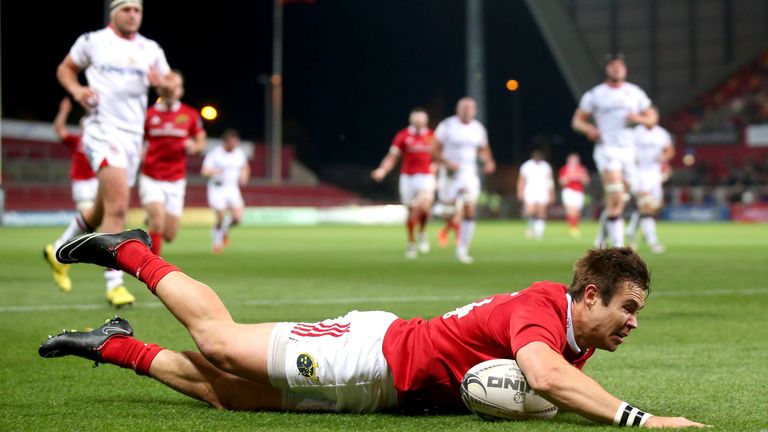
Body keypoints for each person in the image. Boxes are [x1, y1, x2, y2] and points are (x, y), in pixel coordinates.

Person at [40, 229, 708, 428]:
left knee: (229, 393)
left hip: (388, 391)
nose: (632, 323)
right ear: (590, 296)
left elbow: (552, 385)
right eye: (628, 308)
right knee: (219, 343)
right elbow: (541, 377)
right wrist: (642, 422)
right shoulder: (539, 311)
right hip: (370, 357)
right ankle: (130, 251)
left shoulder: (572, 338)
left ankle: (114, 344)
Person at [42, 0, 176, 307]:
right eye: (126, 9)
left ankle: (58, 250)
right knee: (118, 207)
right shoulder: (93, 41)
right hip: (102, 132)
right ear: (113, 12)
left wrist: (163, 87)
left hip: (131, 138)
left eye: (138, 10)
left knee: (101, 210)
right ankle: (114, 283)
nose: (133, 15)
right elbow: (65, 69)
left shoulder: (151, 49)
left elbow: (169, 89)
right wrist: (77, 91)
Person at [572, 53, 658, 248]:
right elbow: (577, 121)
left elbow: (652, 118)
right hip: (607, 150)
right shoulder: (595, 94)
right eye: (613, 65)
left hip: (630, 152)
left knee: (624, 201)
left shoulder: (635, 93)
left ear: (625, 69)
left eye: (620, 65)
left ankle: (601, 238)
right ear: (607, 69)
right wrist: (589, 129)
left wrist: (640, 119)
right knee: (616, 195)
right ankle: (618, 247)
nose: (617, 68)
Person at [140, 70, 206, 256]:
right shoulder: (148, 114)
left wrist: (195, 146)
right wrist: (139, 152)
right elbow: (137, 140)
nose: (172, 89)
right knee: (158, 222)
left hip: (176, 179)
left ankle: (152, 217)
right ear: (160, 88)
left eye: (176, 86)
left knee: (169, 234)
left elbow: (201, 140)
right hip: (151, 176)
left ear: (181, 91)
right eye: (169, 85)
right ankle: (153, 267)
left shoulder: (190, 114)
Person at [433, 97, 496, 264]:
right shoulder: (447, 125)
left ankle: (462, 249)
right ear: (457, 109)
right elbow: (434, 149)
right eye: (464, 108)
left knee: (469, 209)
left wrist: (489, 161)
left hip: (469, 174)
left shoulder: (478, 129)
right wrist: (447, 163)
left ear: (475, 111)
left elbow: (483, 150)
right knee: (447, 213)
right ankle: (447, 229)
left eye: (470, 108)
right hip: (448, 175)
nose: (467, 111)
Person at [371, 107, 435, 258]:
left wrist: (438, 168)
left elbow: (440, 156)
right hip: (408, 178)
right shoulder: (403, 136)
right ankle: (411, 242)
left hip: (426, 176)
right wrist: (382, 170)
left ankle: (422, 232)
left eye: (421, 120)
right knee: (412, 210)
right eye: (416, 120)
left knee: (425, 207)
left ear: (426, 121)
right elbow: (392, 156)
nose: (419, 123)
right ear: (411, 120)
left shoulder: (432, 136)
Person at [626, 123, 675, 253]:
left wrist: (664, 158)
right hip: (639, 173)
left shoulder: (661, 133)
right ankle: (652, 240)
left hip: (655, 175)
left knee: (653, 207)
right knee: (646, 206)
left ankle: (631, 230)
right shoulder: (636, 132)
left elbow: (670, 151)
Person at [201, 129, 250, 254]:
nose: (234, 145)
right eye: (232, 143)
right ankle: (217, 242)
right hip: (217, 188)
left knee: (238, 218)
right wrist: (216, 171)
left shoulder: (239, 153)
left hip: (232, 188)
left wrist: (244, 176)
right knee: (221, 216)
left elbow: (245, 167)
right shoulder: (215, 154)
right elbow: (204, 171)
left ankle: (223, 230)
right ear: (225, 142)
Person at [53, 97, 98, 214]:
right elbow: (59, 130)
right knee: (86, 209)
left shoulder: (99, 141)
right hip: (81, 181)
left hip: (96, 179)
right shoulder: (77, 140)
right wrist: (64, 111)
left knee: (100, 211)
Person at [517, 150, 555, 240]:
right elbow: (521, 180)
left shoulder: (546, 166)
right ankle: (530, 228)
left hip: (543, 190)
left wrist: (551, 193)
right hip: (530, 190)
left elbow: (550, 181)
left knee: (541, 211)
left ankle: (539, 233)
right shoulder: (526, 166)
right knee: (530, 211)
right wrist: (520, 191)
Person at [558, 152, 591, 239]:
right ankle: (572, 229)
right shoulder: (564, 169)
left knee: (577, 212)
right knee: (570, 210)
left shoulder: (581, 169)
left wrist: (580, 176)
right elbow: (561, 182)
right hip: (568, 191)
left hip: (579, 192)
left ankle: (574, 227)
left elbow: (587, 182)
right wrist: (569, 176)